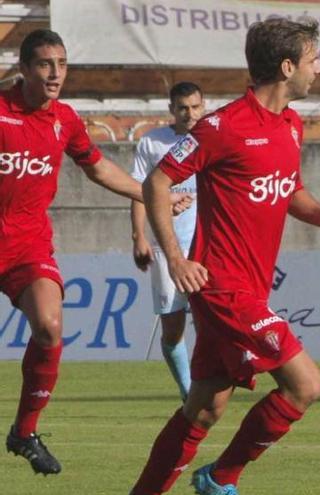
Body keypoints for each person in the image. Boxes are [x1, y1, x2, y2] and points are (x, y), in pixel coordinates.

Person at [129, 18, 320, 495]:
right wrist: (176, 260)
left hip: (249, 287)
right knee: (305, 385)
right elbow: (157, 181)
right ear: (286, 67)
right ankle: (221, 478)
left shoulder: (290, 124)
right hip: (222, 287)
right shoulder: (223, 126)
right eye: (312, 60)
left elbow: (290, 191)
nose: (318, 70)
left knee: (204, 407)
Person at [1, 28, 191, 476]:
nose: (55, 73)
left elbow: (100, 169)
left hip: (27, 243)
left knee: (49, 325)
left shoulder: (64, 119)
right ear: (24, 68)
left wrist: (151, 196)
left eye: (62, 64)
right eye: (45, 64)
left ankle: (24, 431)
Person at [130, 81, 205, 401]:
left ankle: (206, 389)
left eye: (196, 107)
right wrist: (139, 236)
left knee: (211, 323)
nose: (190, 114)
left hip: (207, 245)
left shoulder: (214, 139)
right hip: (166, 246)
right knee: (173, 328)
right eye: (183, 108)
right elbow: (138, 192)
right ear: (172, 110)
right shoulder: (152, 143)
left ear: (204, 106)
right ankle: (187, 390)